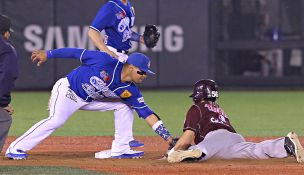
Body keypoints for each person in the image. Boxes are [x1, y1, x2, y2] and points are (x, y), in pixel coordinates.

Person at [5, 48, 175, 160]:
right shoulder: (104, 61)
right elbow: (74, 52)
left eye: (146, 74)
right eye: (142, 72)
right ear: (131, 67)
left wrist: (168, 138)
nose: (144, 76)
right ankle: (15, 148)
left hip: (89, 99)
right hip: (68, 91)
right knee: (56, 120)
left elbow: (146, 113)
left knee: (124, 105)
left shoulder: (132, 90)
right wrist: (48, 54)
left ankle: (121, 149)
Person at [167, 79, 304, 163]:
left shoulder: (196, 108)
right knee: (256, 150)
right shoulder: (217, 108)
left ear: (198, 95)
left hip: (215, 138)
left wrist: (173, 151)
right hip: (234, 138)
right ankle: (285, 144)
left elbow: (187, 137)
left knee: (200, 152)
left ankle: (194, 152)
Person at [88, 0, 160, 156]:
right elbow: (92, 31)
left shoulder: (129, 6)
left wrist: (140, 38)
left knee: (127, 96)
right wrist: (105, 50)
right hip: (113, 53)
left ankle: (126, 139)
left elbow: (124, 32)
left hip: (122, 54)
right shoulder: (110, 6)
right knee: (127, 95)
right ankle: (124, 141)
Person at [0, 15, 18, 153]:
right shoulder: (6, 49)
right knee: (3, 119)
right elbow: (7, 76)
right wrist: (2, 103)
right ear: (6, 33)